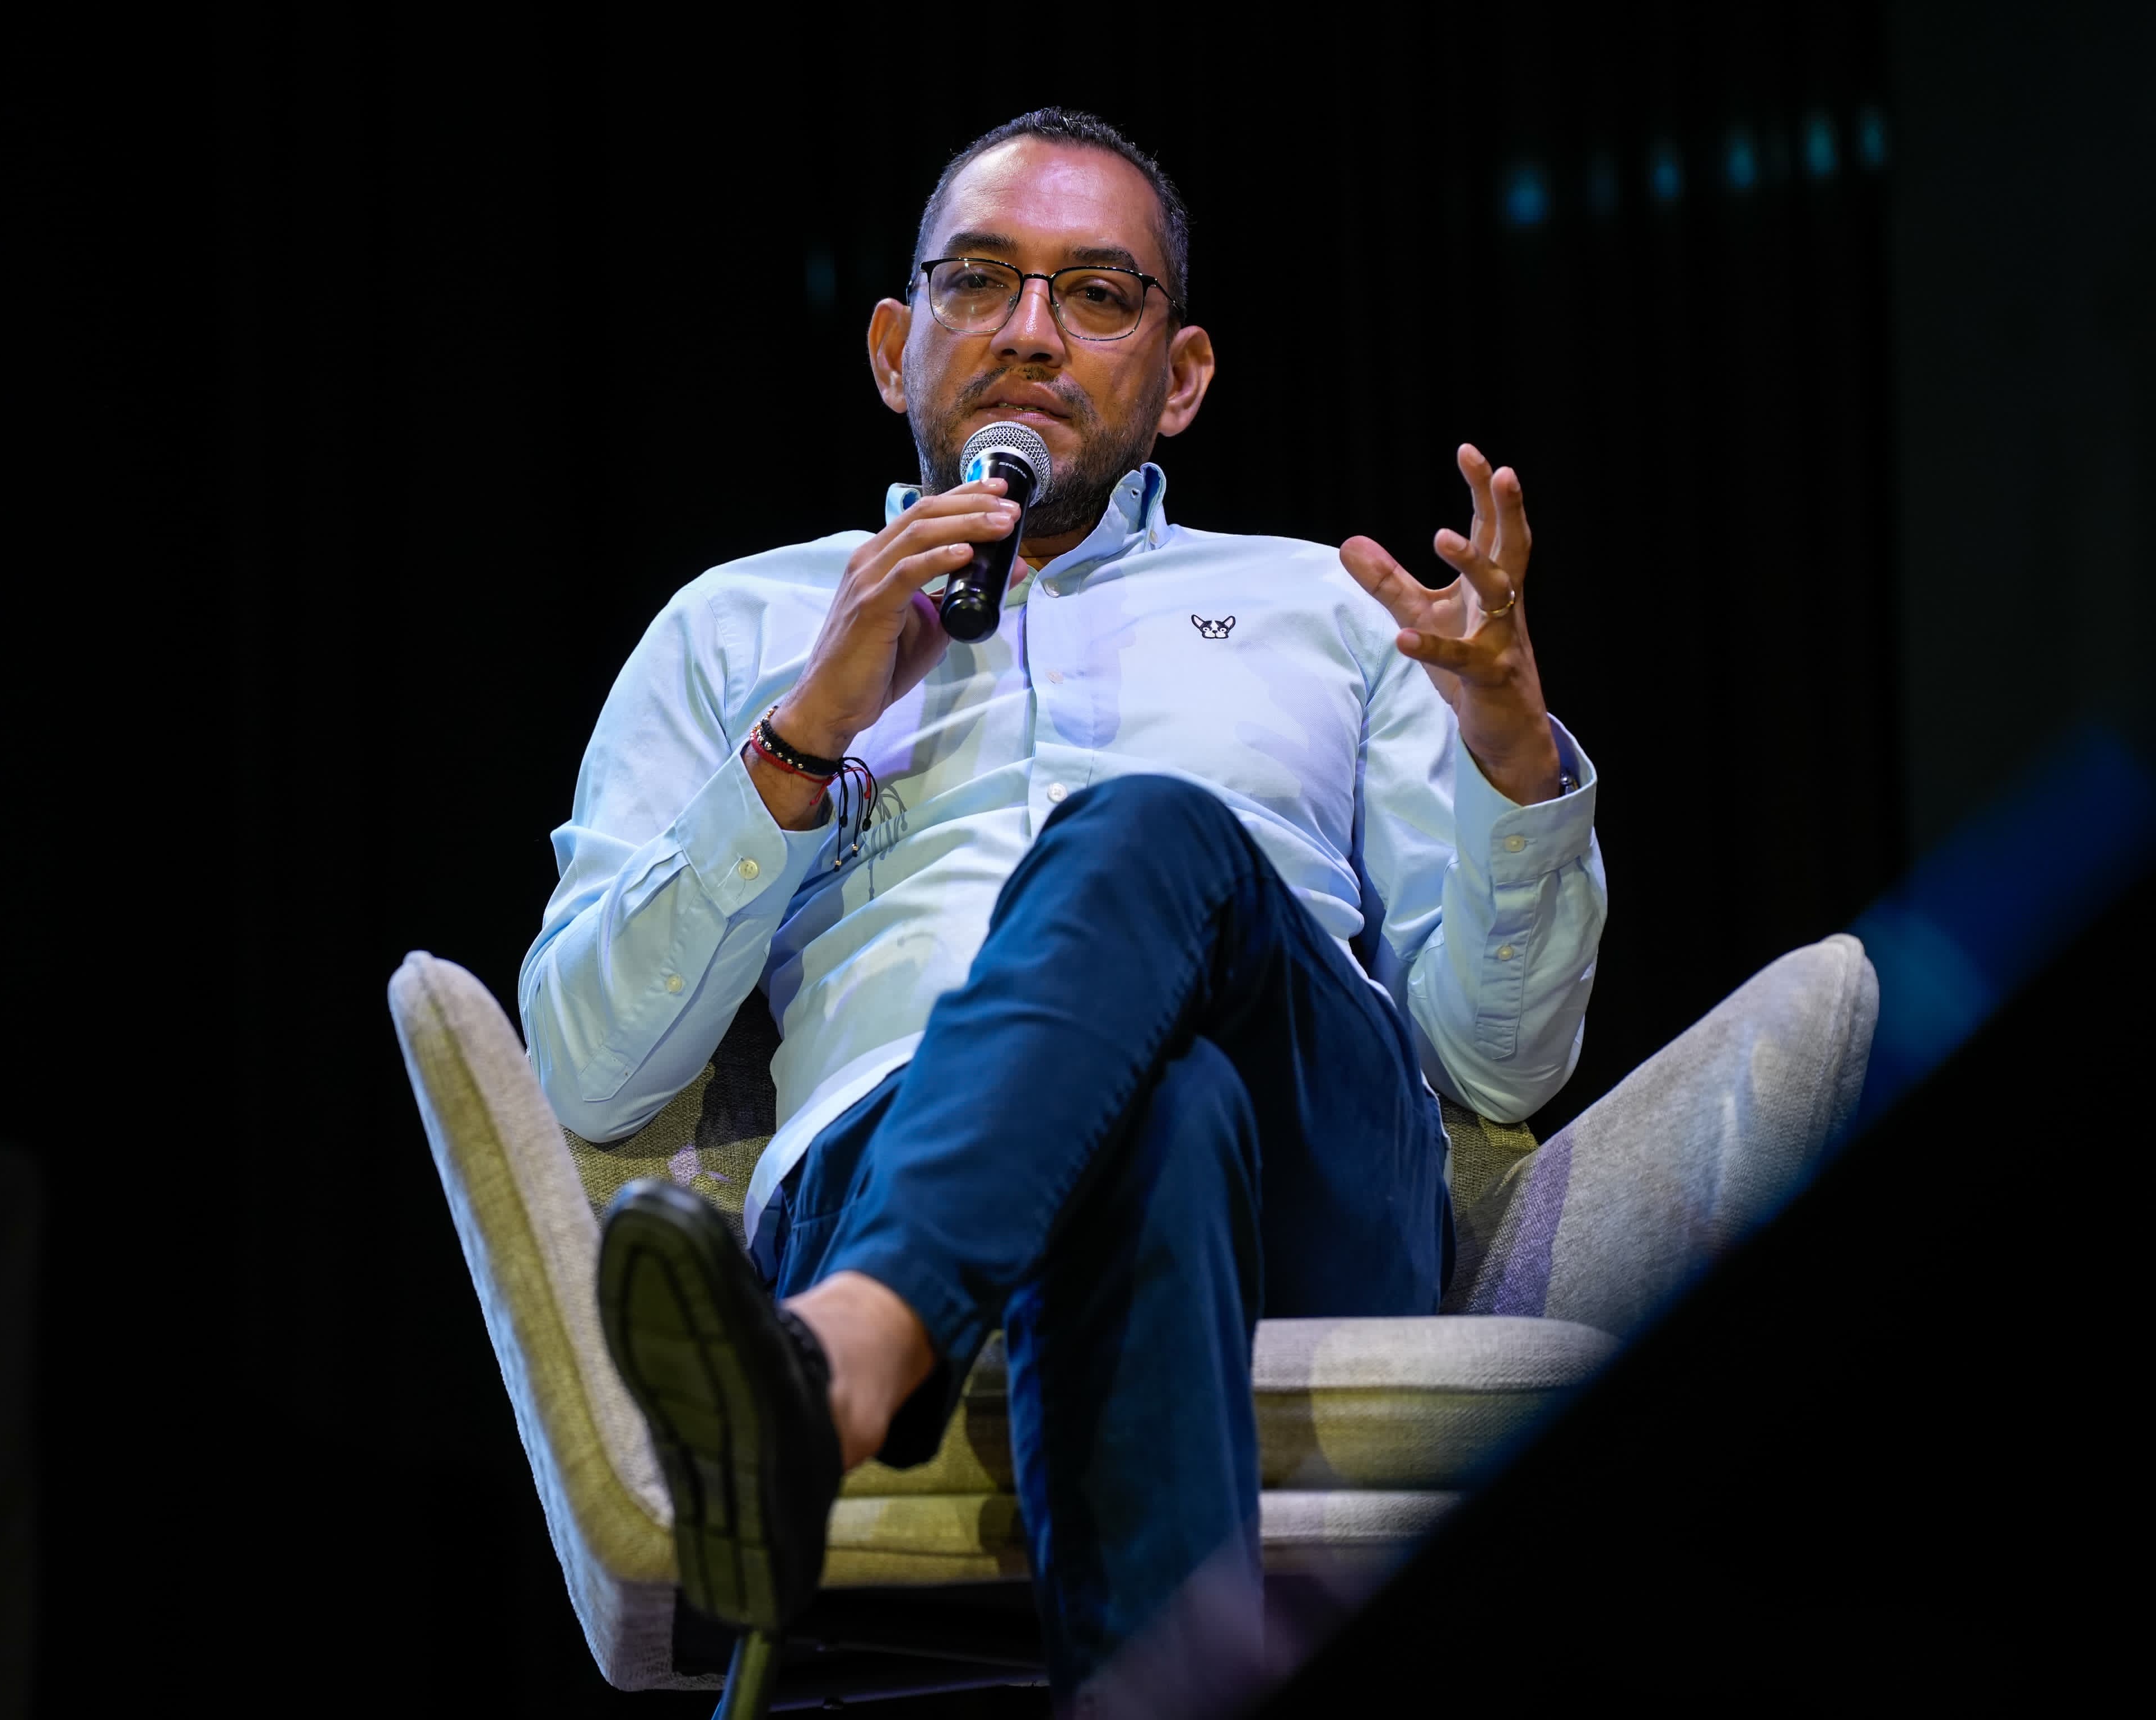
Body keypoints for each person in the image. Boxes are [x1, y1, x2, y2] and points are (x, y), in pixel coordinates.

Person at [521, 107, 1606, 1700]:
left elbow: (1501, 1068)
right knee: (1158, 1121)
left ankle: (842, 1362)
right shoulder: (739, 625)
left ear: (1180, 380)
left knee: (1150, 833)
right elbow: (588, 1070)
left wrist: (1513, 756)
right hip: (892, 1151)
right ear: (898, 346)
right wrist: (806, 731)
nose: (1031, 334)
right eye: (983, 282)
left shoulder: (1333, 606)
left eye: (1098, 296)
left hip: (1318, 1186)